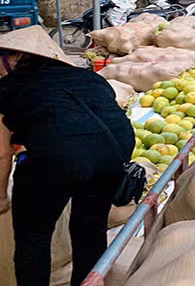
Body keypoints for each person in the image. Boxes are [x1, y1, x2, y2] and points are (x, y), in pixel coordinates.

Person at [0, 26, 132, 286]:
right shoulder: (89, 78)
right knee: (90, 229)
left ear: (15, 57)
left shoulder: (9, 87)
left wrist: (1, 197)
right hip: (115, 153)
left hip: (61, 156)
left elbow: (2, 153)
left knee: (33, 237)